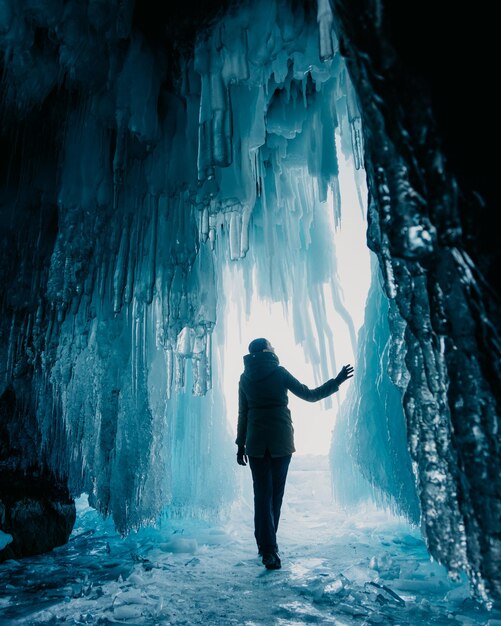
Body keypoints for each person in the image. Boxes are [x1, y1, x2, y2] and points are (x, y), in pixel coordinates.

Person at [236, 337, 354, 570]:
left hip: (256, 443)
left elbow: (243, 413)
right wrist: (337, 381)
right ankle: (269, 548)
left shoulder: (244, 377)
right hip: (280, 441)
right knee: (275, 496)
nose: (274, 347)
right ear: (265, 350)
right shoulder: (278, 372)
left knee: (261, 496)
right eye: (272, 345)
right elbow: (309, 395)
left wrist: (241, 445)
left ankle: (267, 548)